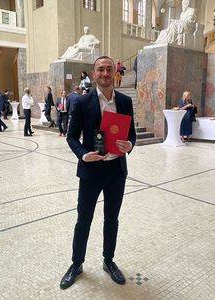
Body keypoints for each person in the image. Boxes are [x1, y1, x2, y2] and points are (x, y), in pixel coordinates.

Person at [60, 56, 136, 289]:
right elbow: (71, 136)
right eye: (100, 69)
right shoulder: (83, 103)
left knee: (112, 219)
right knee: (84, 219)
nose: (105, 73)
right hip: (91, 171)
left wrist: (129, 145)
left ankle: (109, 261)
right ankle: (76, 263)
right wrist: (84, 154)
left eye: (109, 69)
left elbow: (131, 134)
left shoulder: (124, 101)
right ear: (94, 74)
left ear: (115, 73)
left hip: (116, 171)